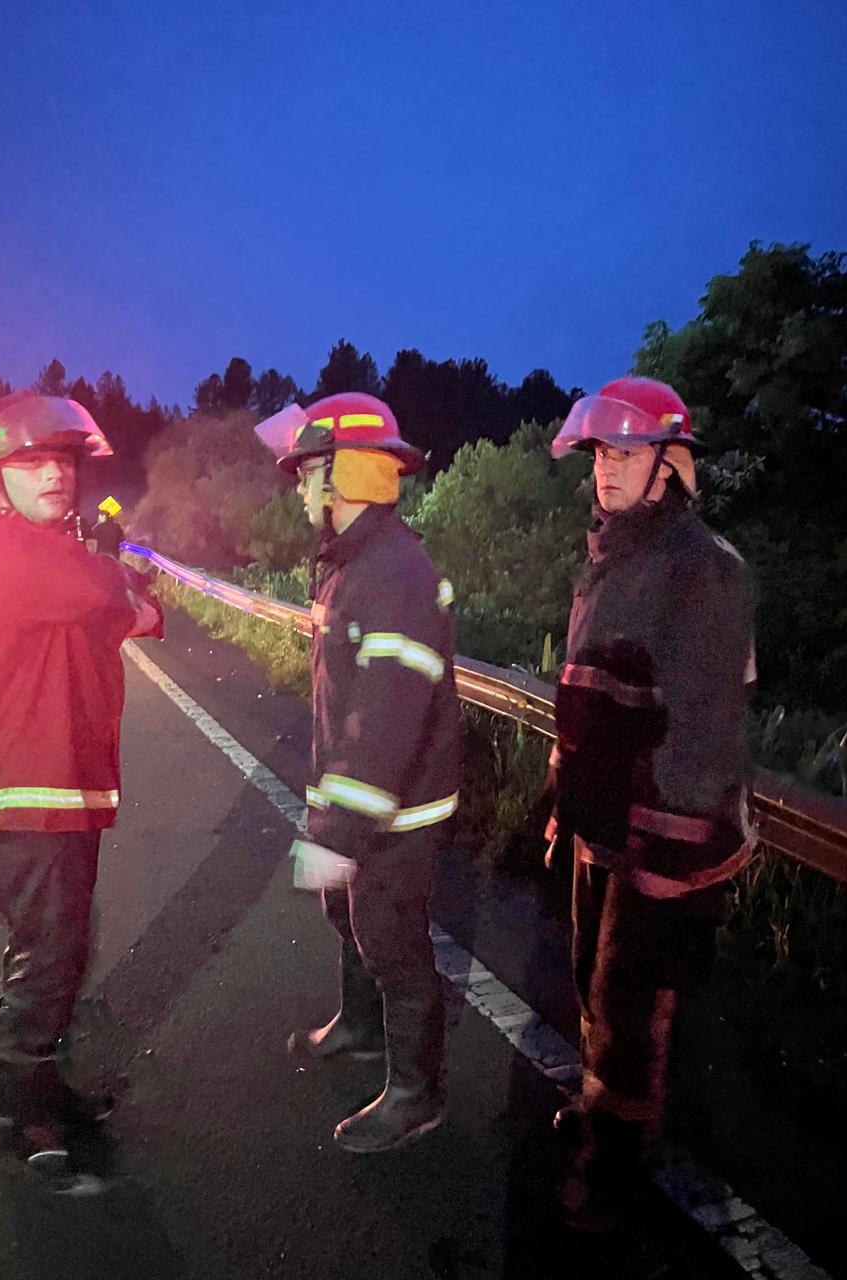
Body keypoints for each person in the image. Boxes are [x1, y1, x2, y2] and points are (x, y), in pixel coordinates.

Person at [546, 376, 756, 1229]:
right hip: (605, 829)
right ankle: (601, 1119)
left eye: (627, 452)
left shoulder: (702, 571)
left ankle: (616, 1180)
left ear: (670, 465)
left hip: (661, 844)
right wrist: (570, 803)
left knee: (635, 1015)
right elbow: (594, 699)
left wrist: (658, 857)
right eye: (600, 452)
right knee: (595, 995)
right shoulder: (614, 556)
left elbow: (702, 734)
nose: (607, 469)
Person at [0, 390, 162, 1154]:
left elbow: (125, 612)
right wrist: (116, 575)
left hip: (55, 788)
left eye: (63, 461)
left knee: (50, 939)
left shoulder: (41, 550)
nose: (56, 476)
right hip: (18, 791)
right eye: (32, 462)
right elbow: (110, 592)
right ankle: (27, 1116)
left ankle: (29, 1061)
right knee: (56, 947)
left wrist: (117, 588)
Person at [255, 393, 461, 1153]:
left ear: (343, 478)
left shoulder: (393, 575)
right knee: (349, 919)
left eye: (309, 473)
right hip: (361, 802)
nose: (301, 489)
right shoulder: (354, 562)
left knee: (393, 941)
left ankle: (416, 1094)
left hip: (395, 812)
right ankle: (361, 1029)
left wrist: (336, 831)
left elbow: (384, 725)